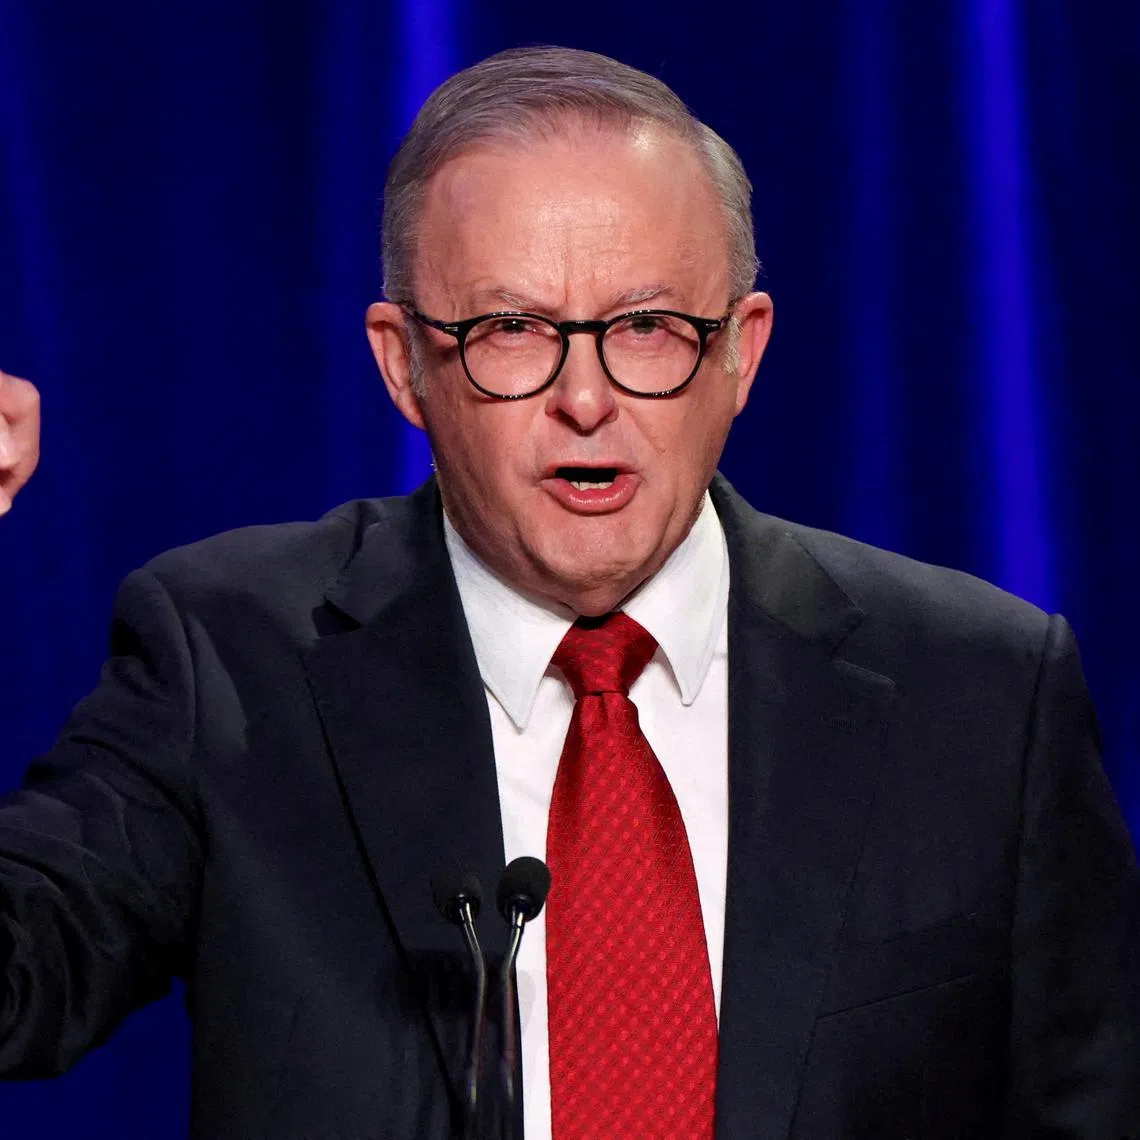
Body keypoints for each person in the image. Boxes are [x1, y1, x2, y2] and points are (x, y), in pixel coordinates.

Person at [0, 45, 1137, 1140]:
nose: (585, 397)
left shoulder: (982, 693)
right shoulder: (228, 663)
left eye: (646, 327)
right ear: (403, 365)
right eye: (512, 330)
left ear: (742, 349)